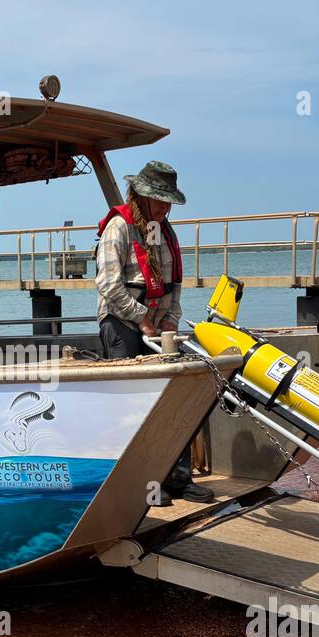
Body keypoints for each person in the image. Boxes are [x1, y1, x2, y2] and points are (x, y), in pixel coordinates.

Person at [95, 160, 214, 504]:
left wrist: (171, 320)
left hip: (158, 328)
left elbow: (173, 286)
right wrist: (142, 319)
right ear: (140, 195)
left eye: (168, 201)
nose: (165, 206)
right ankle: (139, 486)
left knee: (173, 399)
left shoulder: (163, 230)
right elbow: (108, 286)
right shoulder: (118, 227)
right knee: (133, 405)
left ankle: (177, 479)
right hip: (122, 322)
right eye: (159, 199)